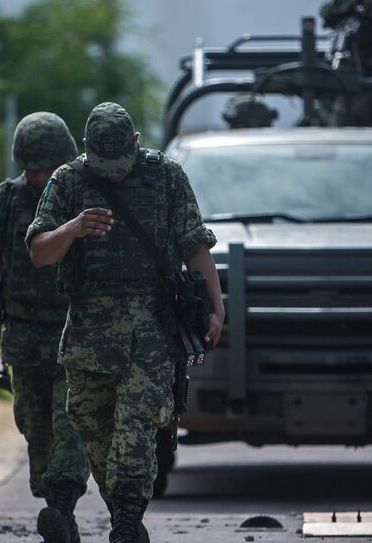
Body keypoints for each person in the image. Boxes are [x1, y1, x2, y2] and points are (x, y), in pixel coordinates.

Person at [27, 102, 224, 543]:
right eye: (105, 165)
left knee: (136, 425)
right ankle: (123, 510)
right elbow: (39, 251)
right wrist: (73, 228)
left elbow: (195, 245)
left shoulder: (167, 177)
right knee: (91, 424)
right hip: (87, 334)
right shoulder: (69, 181)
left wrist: (216, 306)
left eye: (121, 163)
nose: (115, 174)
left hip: (152, 330)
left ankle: (127, 523)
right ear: (86, 150)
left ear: (136, 143)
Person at [0, 112, 89, 543]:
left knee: (69, 420)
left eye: (45, 168)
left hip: (75, 334)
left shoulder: (82, 193)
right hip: (25, 336)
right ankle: (56, 505)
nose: (37, 177)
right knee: (35, 429)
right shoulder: (8, 199)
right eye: (30, 168)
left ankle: (62, 505)